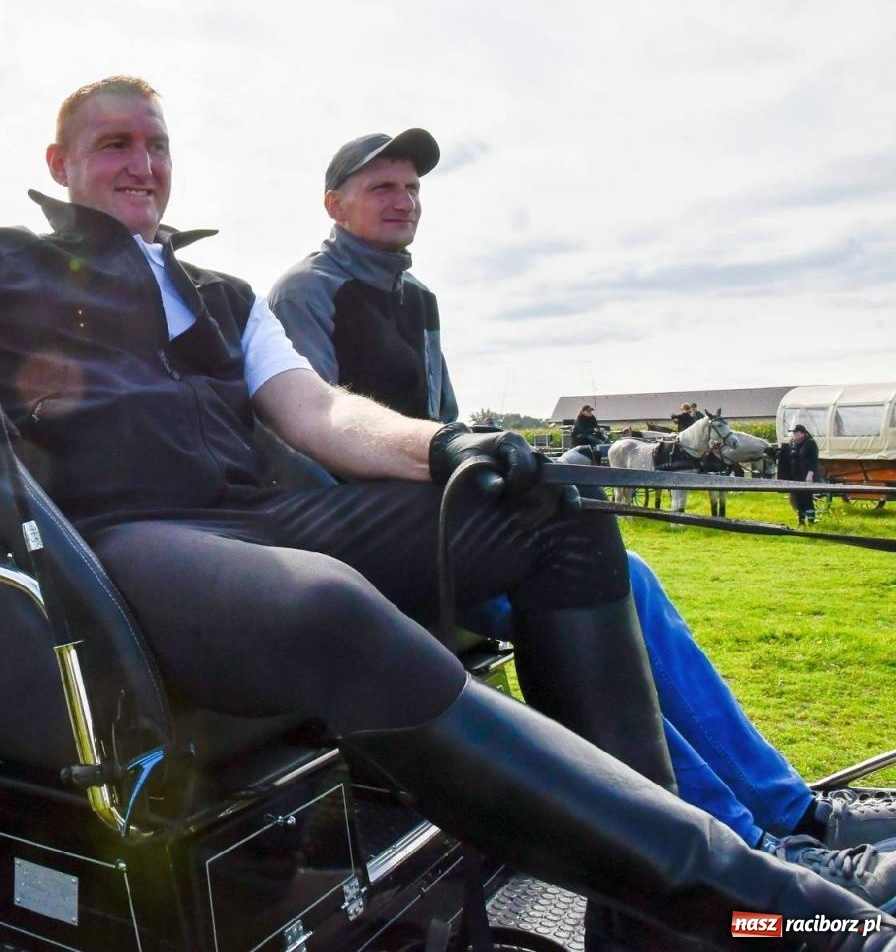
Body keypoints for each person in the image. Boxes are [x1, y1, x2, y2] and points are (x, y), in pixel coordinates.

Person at [0, 76, 893, 944]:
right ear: (61, 164)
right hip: (125, 542)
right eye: (114, 144)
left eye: (156, 144)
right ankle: (782, 916)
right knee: (325, 605)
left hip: (257, 523)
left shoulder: (225, 296)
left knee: (557, 520)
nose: (142, 163)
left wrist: (448, 447)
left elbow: (321, 413)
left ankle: (644, 930)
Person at [270, 127, 896, 889]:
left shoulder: (418, 297)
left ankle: (793, 810)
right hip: (386, 541)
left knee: (631, 578)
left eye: (412, 188)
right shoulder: (306, 292)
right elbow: (312, 438)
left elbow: (442, 418)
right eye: (382, 188)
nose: (404, 201)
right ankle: (744, 847)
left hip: (447, 519)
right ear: (334, 206)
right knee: (586, 617)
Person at [780, 423, 821, 524]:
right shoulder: (793, 444)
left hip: (806, 475)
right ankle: (801, 521)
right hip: (795, 476)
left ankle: (811, 521)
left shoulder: (810, 443)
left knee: (807, 498)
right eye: (794, 433)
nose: (794, 434)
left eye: (796, 432)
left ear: (802, 433)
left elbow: (814, 461)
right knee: (798, 499)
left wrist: (810, 474)